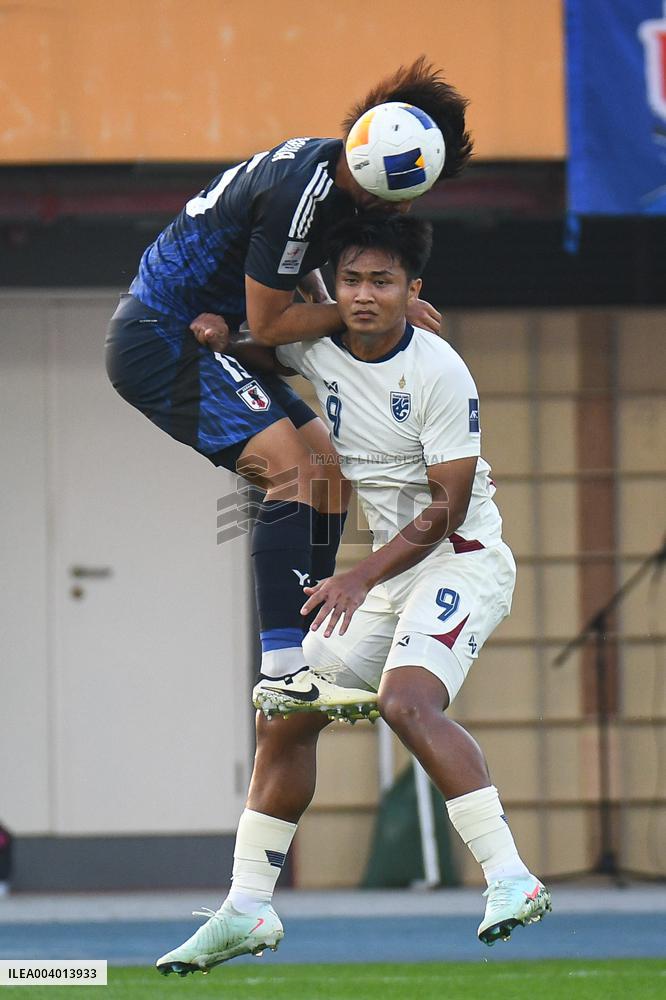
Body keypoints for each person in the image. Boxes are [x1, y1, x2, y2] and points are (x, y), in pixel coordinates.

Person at [155, 213, 551, 978]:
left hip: (461, 561)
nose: (366, 295)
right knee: (287, 708)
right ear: (334, 288)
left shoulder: (439, 372)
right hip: (389, 574)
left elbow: (449, 507)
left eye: (384, 282)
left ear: (413, 291)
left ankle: (512, 878)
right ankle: (246, 908)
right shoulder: (319, 342)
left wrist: (361, 573)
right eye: (353, 280)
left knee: (407, 704)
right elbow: (263, 336)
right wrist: (219, 333)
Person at [105, 58, 472, 714]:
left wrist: (335, 308)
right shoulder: (303, 198)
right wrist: (375, 309)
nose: (414, 205)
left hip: (194, 334)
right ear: (384, 187)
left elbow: (291, 293)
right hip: (161, 340)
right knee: (292, 474)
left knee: (328, 468)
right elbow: (274, 324)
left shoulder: (333, 173)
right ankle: (282, 668)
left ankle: (309, 642)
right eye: (414, 192)